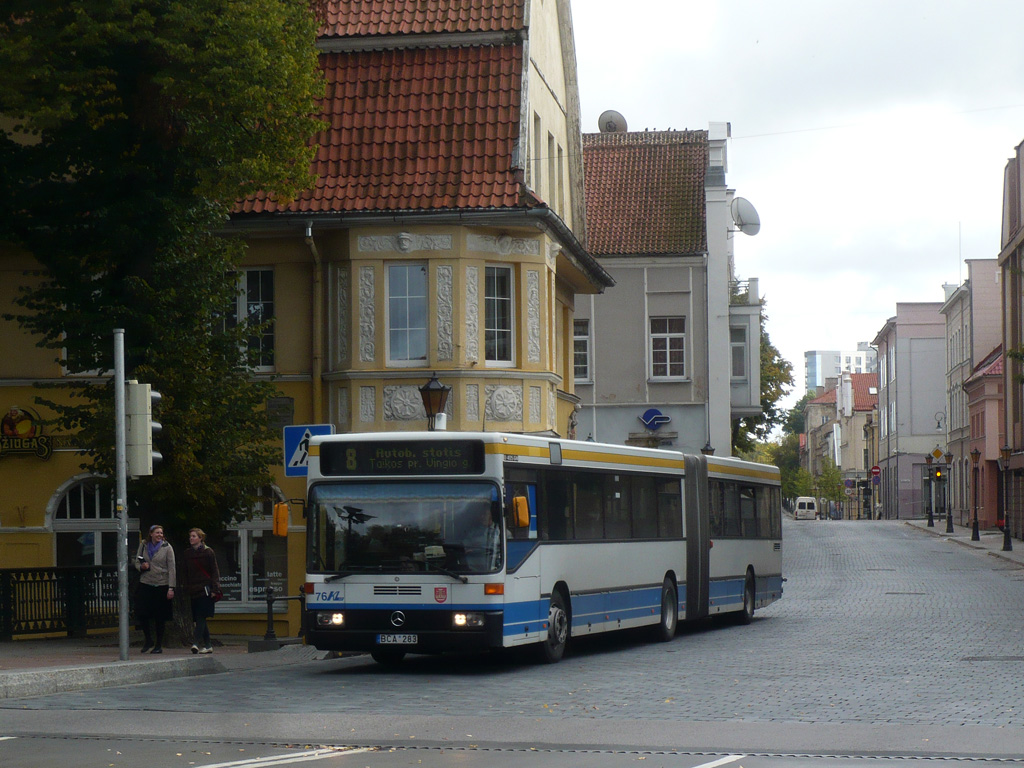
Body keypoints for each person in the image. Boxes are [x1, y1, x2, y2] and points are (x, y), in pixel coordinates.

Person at [134, 524, 175, 653]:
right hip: (146, 582)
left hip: (161, 584)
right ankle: (148, 639)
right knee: (142, 613)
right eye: (157, 533)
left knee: (159, 617)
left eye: (161, 533)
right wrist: (142, 567)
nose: (159, 535)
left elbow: (172, 568)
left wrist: (171, 587)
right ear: (151, 534)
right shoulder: (144, 545)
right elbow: (136, 561)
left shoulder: (167, 547)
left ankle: (158, 645)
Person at [182, 527, 221, 654]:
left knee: (201, 616)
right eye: (190, 536)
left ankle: (195, 642)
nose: (191, 539)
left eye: (194, 536)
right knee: (199, 618)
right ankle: (208, 644)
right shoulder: (188, 553)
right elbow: (186, 572)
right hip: (193, 589)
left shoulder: (208, 552)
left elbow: (214, 571)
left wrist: (215, 588)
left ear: (200, 538)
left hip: (206, 589)